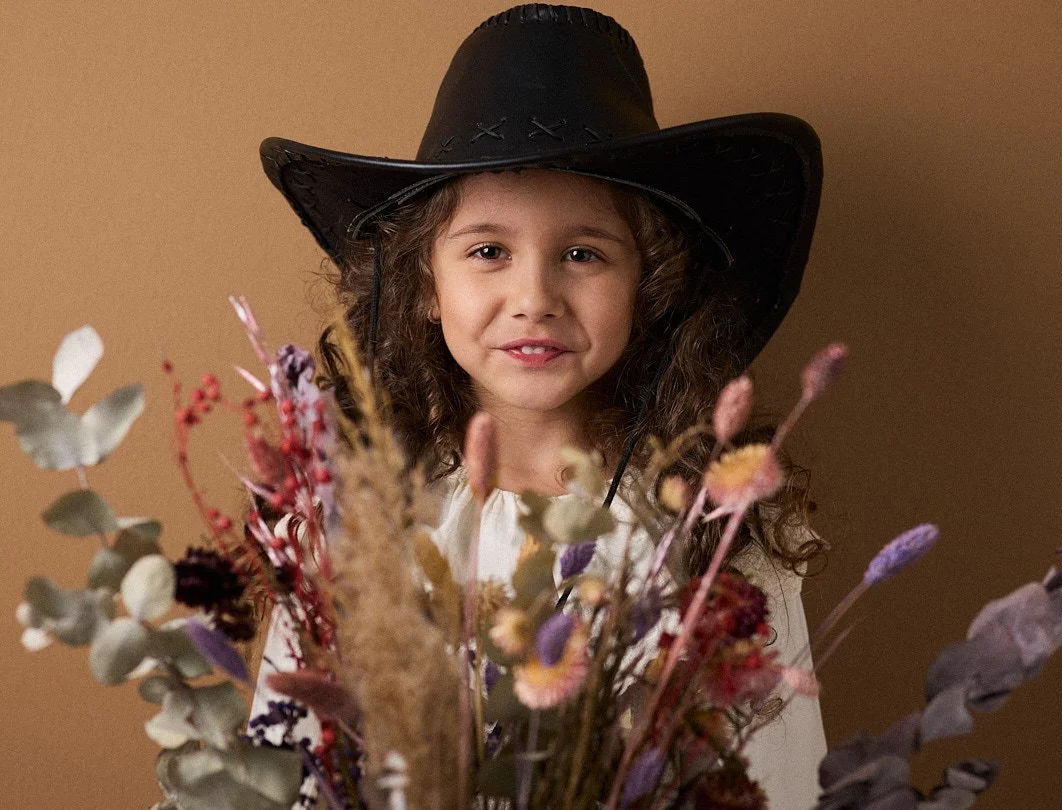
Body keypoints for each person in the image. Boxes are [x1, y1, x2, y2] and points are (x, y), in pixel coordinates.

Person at [254, 5, 827, 808]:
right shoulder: (353, 520)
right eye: (488, 251)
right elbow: (279, 767)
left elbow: (774, 778)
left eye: (583, 253)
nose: (535, 298)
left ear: (649, 287)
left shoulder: (714, 531)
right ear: (424, 283)